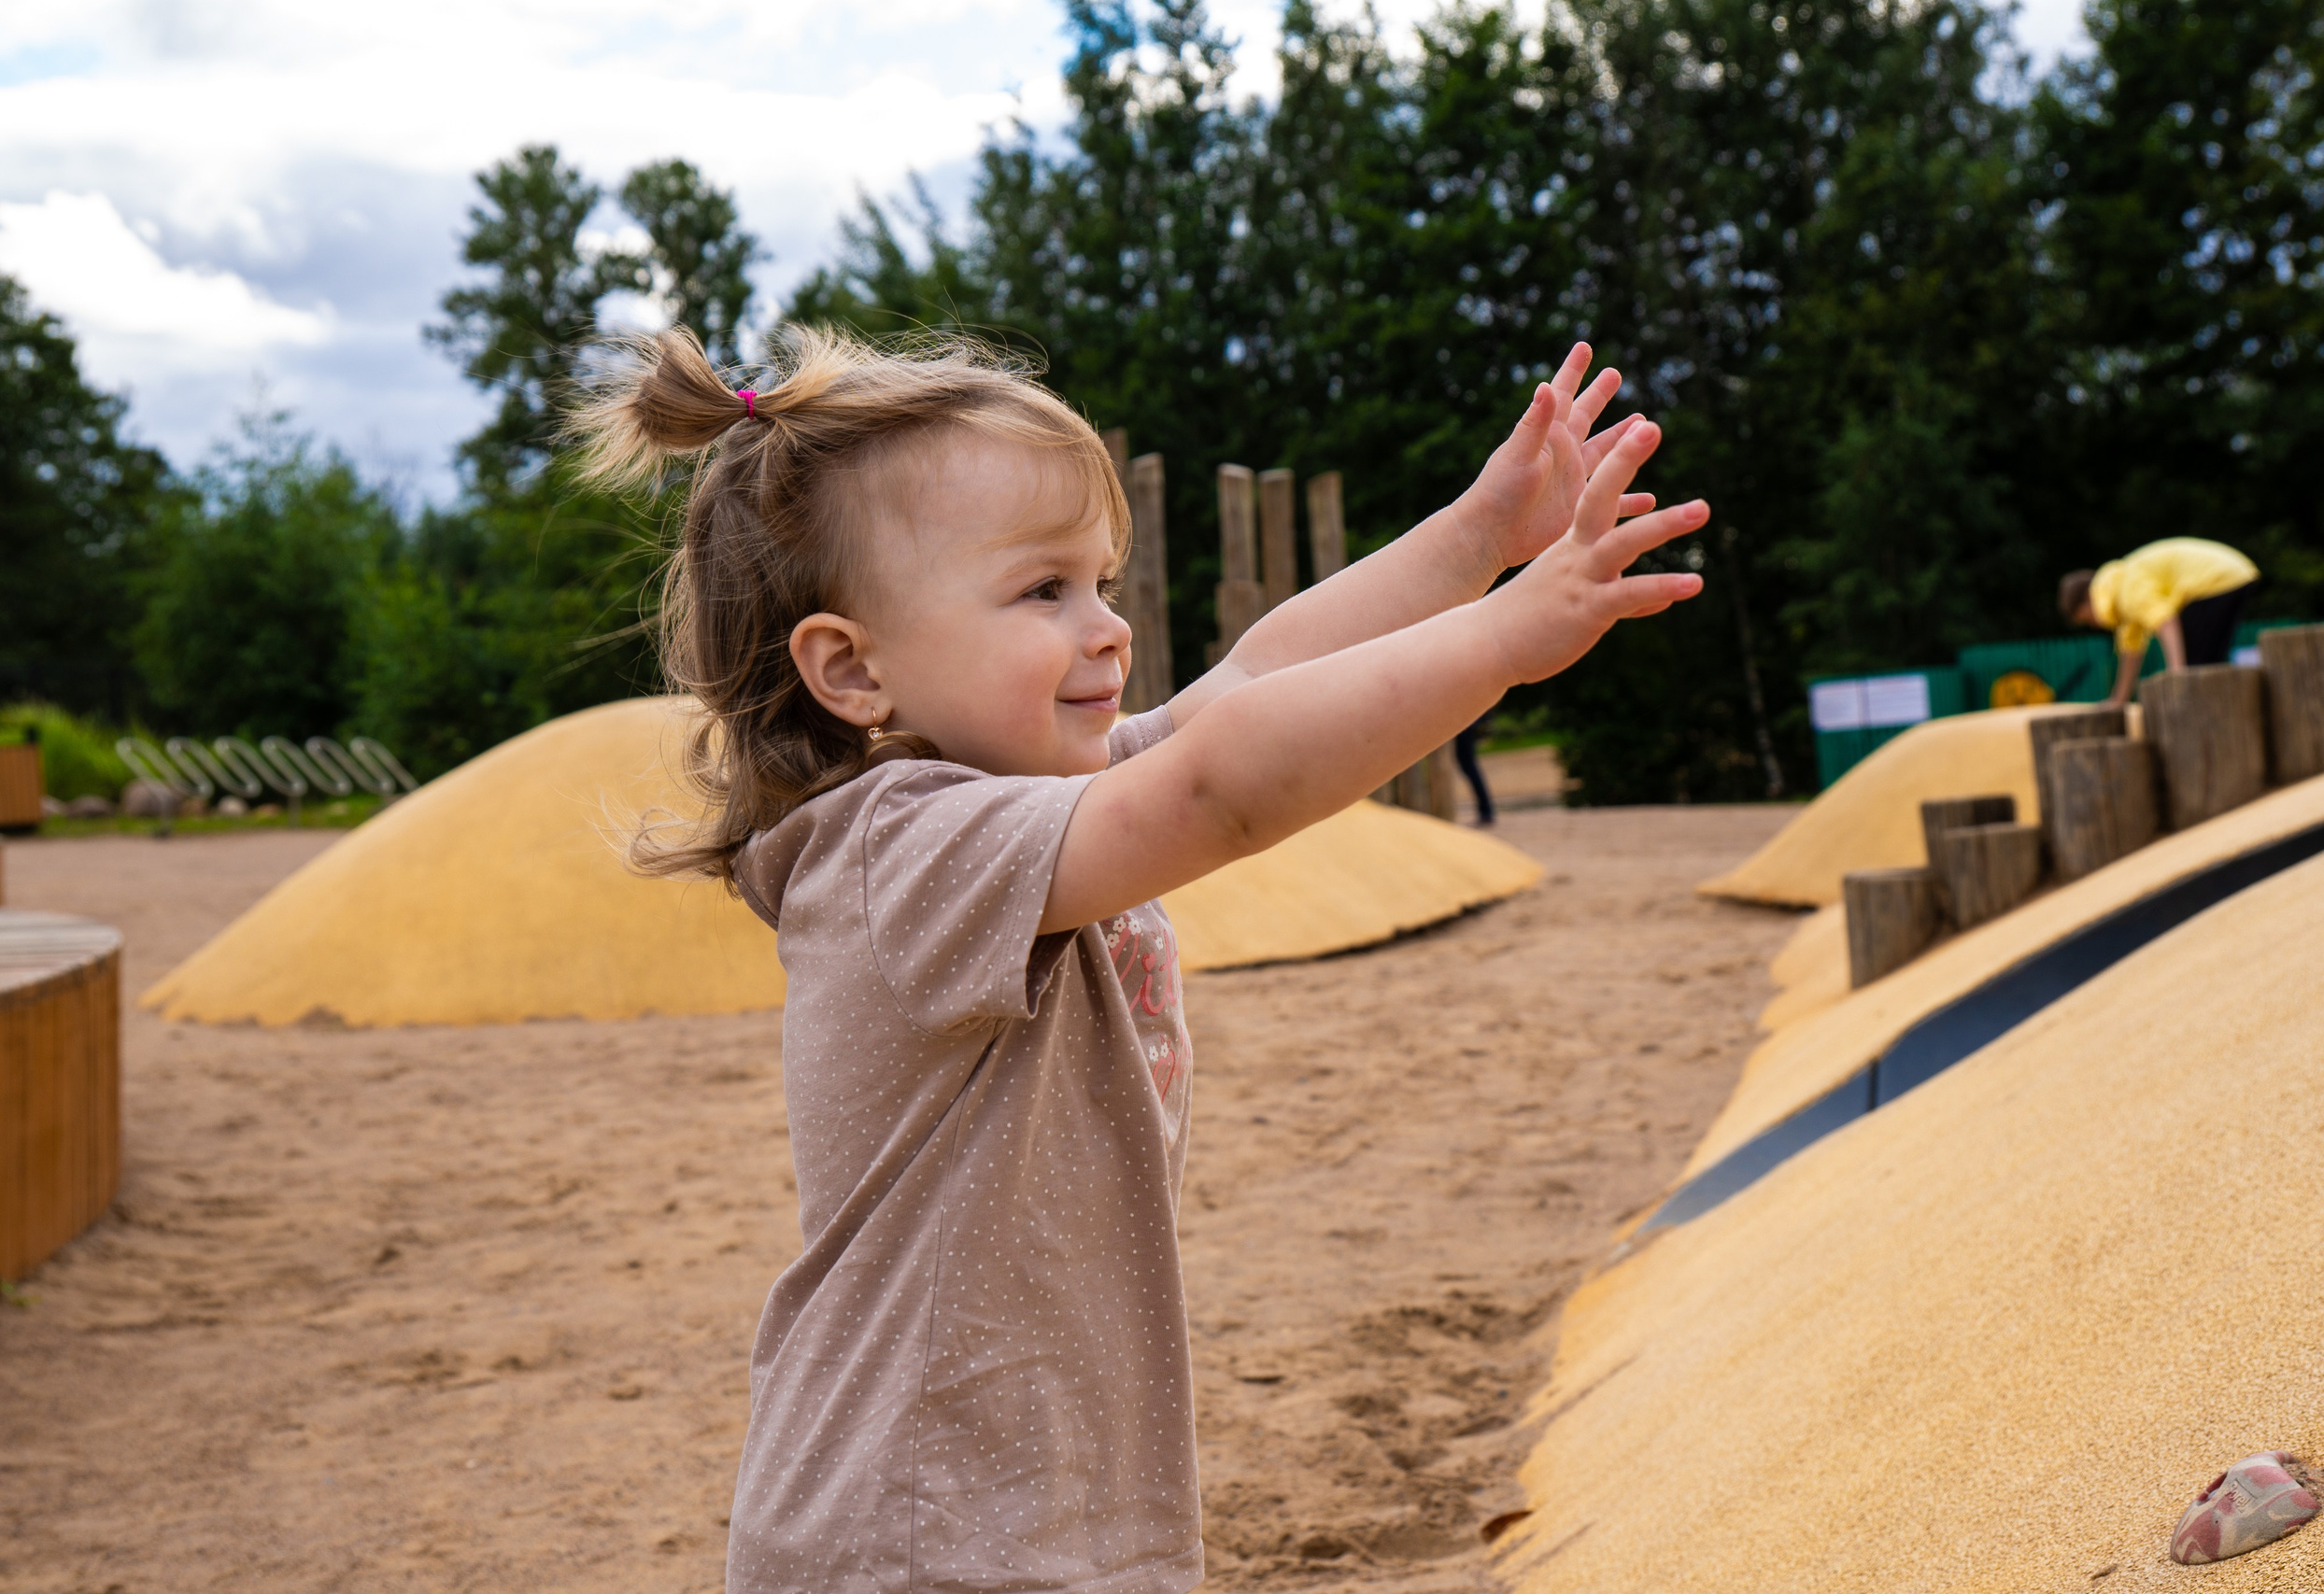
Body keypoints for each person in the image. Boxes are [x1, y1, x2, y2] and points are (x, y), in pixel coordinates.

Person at [571, 327, 1704, 1592]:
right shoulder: (900, 848)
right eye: (1042, 590)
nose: (1107, 628)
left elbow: (1257, 676)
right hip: (911, 1526)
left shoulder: (1036, 790)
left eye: (1101, 581)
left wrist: (1481, 534)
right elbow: (1224, 784)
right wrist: (1507, 636)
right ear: (852, 666)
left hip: (1033, 1496)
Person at [2060, 537, 2259, 706]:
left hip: (2215, 578)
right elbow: (2131, 651)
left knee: (2197, 672)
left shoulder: (2125, 591)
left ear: (2086, 601)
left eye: (2087, 620)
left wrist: (2177, 674)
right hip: (2229, 573)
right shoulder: (2120, 594)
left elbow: (2166, 620)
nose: (2093, 625)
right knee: (2207, 667)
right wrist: (2119, 700)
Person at [1452, 709, 1498, 825]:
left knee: (1469, 765)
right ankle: (1486, 810)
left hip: (1465, 719)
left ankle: (1486, 811)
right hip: (1467, 718)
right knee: (1468, 765)